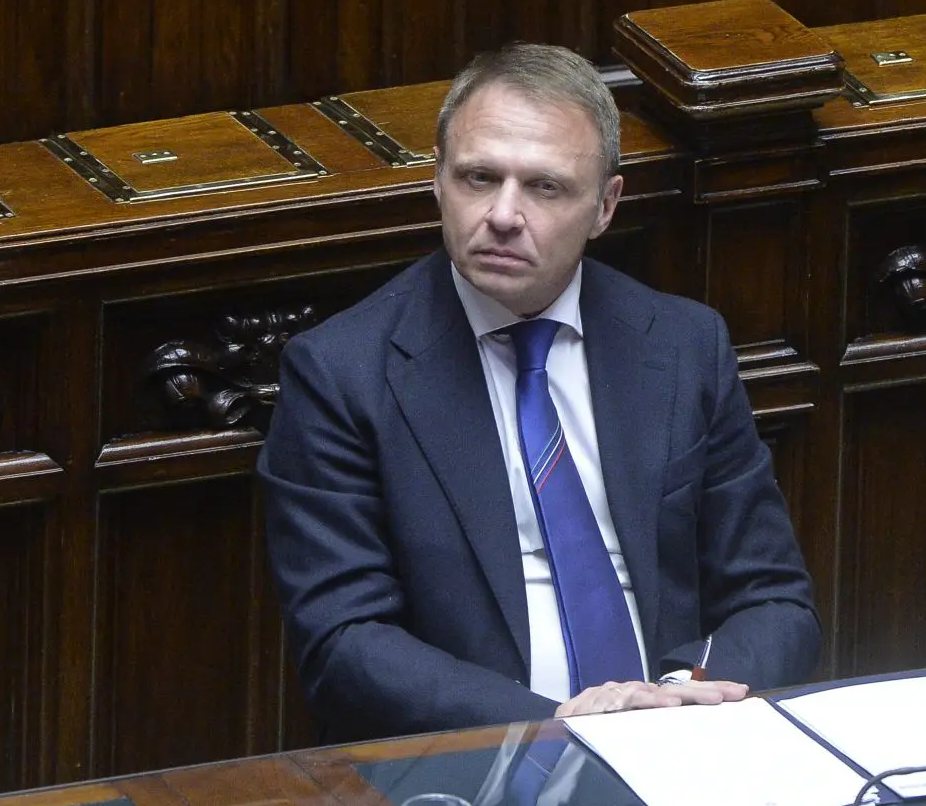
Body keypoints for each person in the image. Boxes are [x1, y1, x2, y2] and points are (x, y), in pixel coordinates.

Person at [259, 42, 819, 743]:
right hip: (479, 761)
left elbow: (774, 600)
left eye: (545, 187)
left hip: (681, 743)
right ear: (437, 180)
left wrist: (678, 698)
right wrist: (553, 725)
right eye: (479, 177)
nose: (502, 213)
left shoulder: (683, 346)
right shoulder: (341, 373)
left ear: (605, 206)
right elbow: (344, 642)